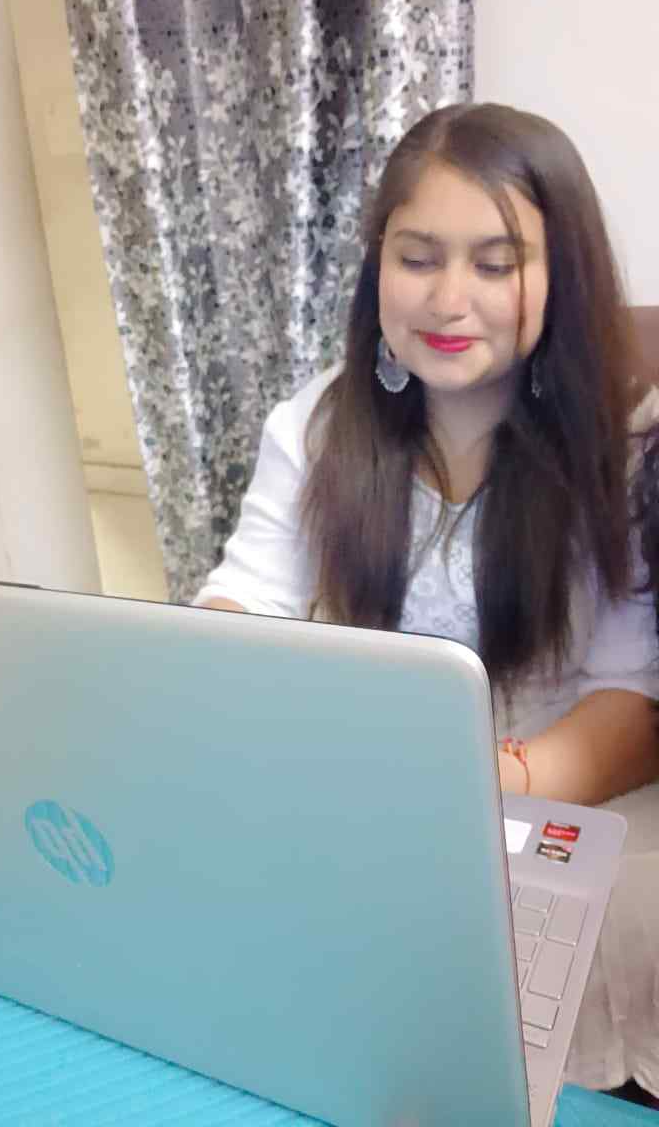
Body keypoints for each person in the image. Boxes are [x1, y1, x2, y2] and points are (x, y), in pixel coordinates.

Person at [195, 103, 659, 1095]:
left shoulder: (626, 444)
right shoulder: (318, 422)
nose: (450, 300)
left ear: (563, 274)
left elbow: (632, 698)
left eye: (496, 264)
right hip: (365, 770)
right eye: (418, 258)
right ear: (377, 267)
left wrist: (470, 786)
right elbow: (243, 600)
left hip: (555, 781)